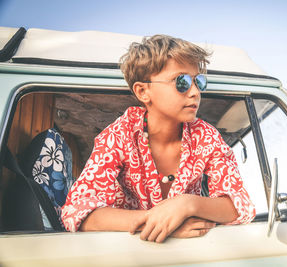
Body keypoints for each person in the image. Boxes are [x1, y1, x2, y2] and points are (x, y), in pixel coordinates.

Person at [61, 35, 255, 243]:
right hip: (124, 252)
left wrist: (187, 204)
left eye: (199, 81)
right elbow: (77, 212)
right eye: (181, 82)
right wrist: (162, 221)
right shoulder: (120, 134)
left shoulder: (205, 136)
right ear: (143, 91)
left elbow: (239, 205)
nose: (195, 92)